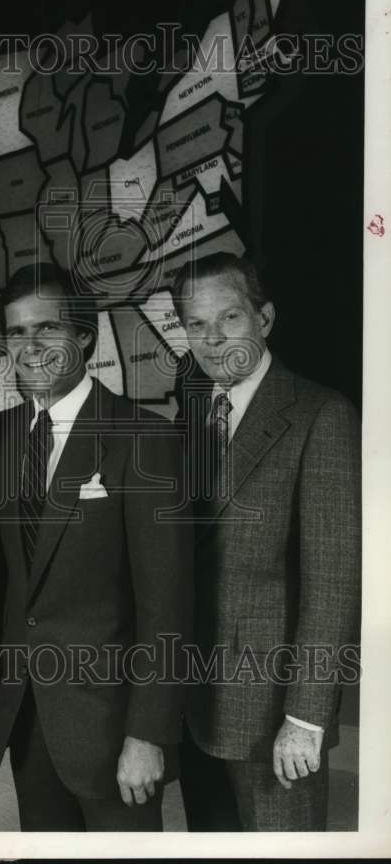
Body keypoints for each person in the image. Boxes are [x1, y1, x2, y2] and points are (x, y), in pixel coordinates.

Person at [0, 262, 192, 831]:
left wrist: (147, 734)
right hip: (27, 714)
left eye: (47, 329)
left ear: (84, 336)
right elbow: (15, 584)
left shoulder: (144, 438)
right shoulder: (2, 434)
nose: (30, 347)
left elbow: (166, 606)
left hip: (112, 729)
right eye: (16, 332)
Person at [172, 252, 361, 831]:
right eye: (195, 324)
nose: (210, 339)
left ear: (266, 317)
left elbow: (333, 583)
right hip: (191, 700)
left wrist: (305, 718)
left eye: (228, 318)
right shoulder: (193, 409)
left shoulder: (321, 415)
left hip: (270, 715)